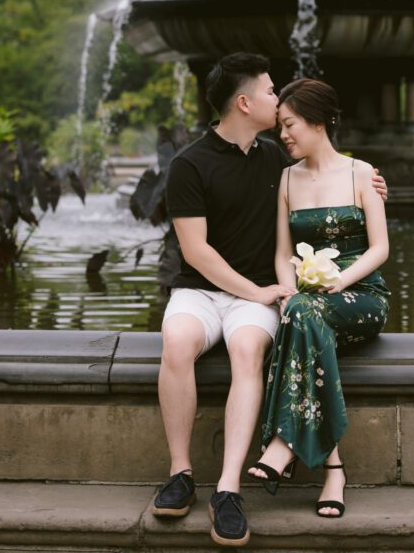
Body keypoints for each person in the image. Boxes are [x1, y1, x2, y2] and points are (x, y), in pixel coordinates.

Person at [153, 52, 386, 547]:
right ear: (243, 102)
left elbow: (332, 179)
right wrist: (262, 290)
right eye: (268, 91)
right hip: (200, 290)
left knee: (248, 350)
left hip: (256, 300)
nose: (276, 100)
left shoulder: (277, 158)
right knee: (176, 343)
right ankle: (179, 474)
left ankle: (230, 488)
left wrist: (377, 185)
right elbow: (196, 251)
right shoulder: (188, 165)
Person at [248, 78, 390, 519]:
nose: (284, 135)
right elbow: (281, 253)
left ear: (319, 122)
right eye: (280, 128)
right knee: (300, 312)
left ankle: (280, 446)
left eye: (290, 125)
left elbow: (380, 248)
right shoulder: (287, 178)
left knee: (302, 315)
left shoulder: (362, 173)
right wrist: (288, 288)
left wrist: (342, 281)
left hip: (361, 295)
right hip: (309, 300)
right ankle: (333, 470)